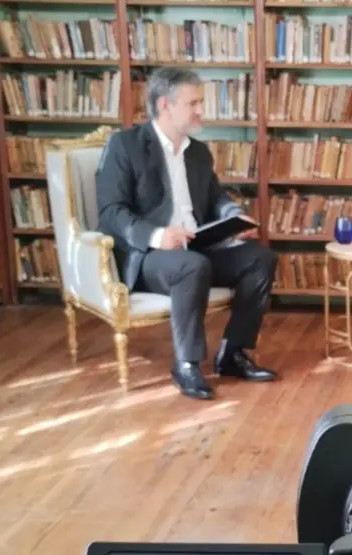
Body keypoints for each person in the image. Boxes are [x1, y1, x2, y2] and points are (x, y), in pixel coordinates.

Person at [96, 67, 278, 400]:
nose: (200, 110)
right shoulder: (125, 145)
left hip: (198, 246)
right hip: (151, 256)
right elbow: (111, 212)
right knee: (193, 266)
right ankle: (187, 363)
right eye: (193, 103)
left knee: (260, 259)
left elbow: (215, 198)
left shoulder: (197, 152)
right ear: (164, 105)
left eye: (200, 102)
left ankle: (233, 353)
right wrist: (157, 235)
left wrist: (233, 216)